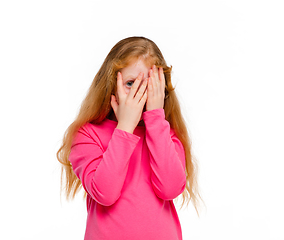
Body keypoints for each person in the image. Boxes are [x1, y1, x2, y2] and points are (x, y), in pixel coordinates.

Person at [57, 36, 202, 240]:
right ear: (111, 85)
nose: (139, 93)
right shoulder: (87, 134)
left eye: (149, 85)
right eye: (130, 83)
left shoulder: (165, 134)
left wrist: (155, 119)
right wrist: (125, 127)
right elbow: (105, 193)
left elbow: (170, 189)